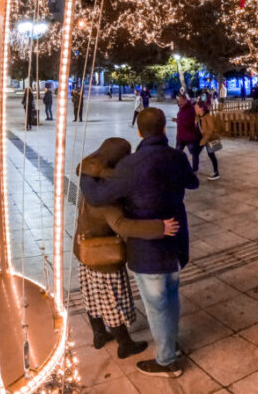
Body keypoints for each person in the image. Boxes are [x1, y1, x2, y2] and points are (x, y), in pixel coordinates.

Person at [81, 107, 199, 378]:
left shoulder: (130, 165)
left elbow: (99, 196)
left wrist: (86, 171)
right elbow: (193, 184)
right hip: (176, 242)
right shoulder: (177, 156)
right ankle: (172, 344)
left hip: (149, 250)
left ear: (139, 131)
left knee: (157, 305)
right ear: (164, 128)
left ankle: (167, 360)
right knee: (171, 295)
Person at [76, 138, 179, 359]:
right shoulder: (106, 196)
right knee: (111, 299)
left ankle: (99, 334)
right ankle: (124, 344)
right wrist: (160, 227)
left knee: (91, 295)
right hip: (105, 255)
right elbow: (122, 225)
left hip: (84, 249)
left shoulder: (89, 176)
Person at [174, 95, 201, 173]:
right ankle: (177, 168)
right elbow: (182, 119)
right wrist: (178, 120)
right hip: (180, 135)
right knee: (177, 153)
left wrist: (179, 121)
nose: (179, 103)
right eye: (179, 101)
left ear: (186, 100)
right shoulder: (181, 108)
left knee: (194, 153)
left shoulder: (191, 109)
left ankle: (195, 169)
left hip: (190, 136)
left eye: (181, 101)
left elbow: (190, 122)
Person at [195, 102, 221, 180]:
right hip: (203, 138)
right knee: (195, 153)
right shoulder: (198, 116)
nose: (195, 109)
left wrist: (203, 140)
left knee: (211, 155)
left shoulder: (208, 117)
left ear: (201, 108)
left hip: (210, 138)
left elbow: (211, 130)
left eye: (196, 107)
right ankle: (194, 170)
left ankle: (216, 173)